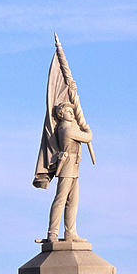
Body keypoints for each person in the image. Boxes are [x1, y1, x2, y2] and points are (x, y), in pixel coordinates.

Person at [46, 103, 93, 241]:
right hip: (67, 165)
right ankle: (52, 233)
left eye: (72, 111)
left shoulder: (70, 127)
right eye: (68, 111)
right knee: (61, 199)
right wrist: (86, 127)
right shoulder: (67, 130)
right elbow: (88, 137)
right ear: (61, 114)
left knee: (73, 200)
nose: (72, 113)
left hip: (74, 165)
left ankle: (70, 232)